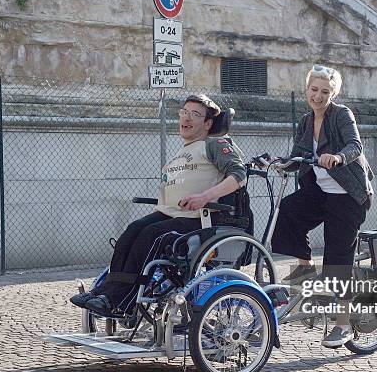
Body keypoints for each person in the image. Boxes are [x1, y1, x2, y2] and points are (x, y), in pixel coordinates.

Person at [70, 94, 247, 316]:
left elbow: (239, 175)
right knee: (133, 230)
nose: (187, 118)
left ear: (208, 123)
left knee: (151, 235)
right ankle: (105, 291)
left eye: (195, 114)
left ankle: (122, 302)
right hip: (170, 214)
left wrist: (204, 196)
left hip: (198, 219)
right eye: (184, 112)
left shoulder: (214, 144)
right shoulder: (182, 152)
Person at [271, 64, 374, 348]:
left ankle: (342, 325)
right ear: (307, 89)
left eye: (324, 91)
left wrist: (338, 157)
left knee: (337, 257)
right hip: (319, 192)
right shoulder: (305, 120)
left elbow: (356, 145)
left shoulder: (342, 114)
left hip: (348, 195)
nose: (317, 96)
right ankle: (306, 274)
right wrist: (281, 164)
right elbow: (298, 156)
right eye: (313, 90)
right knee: (288, 213)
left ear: (333, 93)